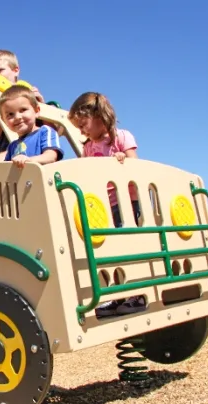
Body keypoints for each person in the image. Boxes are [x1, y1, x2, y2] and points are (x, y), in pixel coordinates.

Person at [68, 91, 146, 317]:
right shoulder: (88, 147)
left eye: (83, 124)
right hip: (101, 206)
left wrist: (120, 162)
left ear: (100, 117)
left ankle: (138, 293)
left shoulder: (121, 138)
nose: (81, 130)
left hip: (124, 202)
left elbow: (136, 167)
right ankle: (117, 294)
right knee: (105, 249)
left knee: (127, 245)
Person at [0, 50, 45, 156]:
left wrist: (42, 106)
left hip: (33, 152)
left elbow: (53, 131)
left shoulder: (28, 97)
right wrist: (2, 105)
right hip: (4, 155)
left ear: (16, 70)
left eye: (0, 70)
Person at [0, 85, 63, 167]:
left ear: (36, 111)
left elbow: (51, 156)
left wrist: (29, 160)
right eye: (10, 114)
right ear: (4, 120)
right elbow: (6, 168)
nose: (17, 117)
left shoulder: (45, 132)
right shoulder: (12, 146)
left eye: (23, 110)